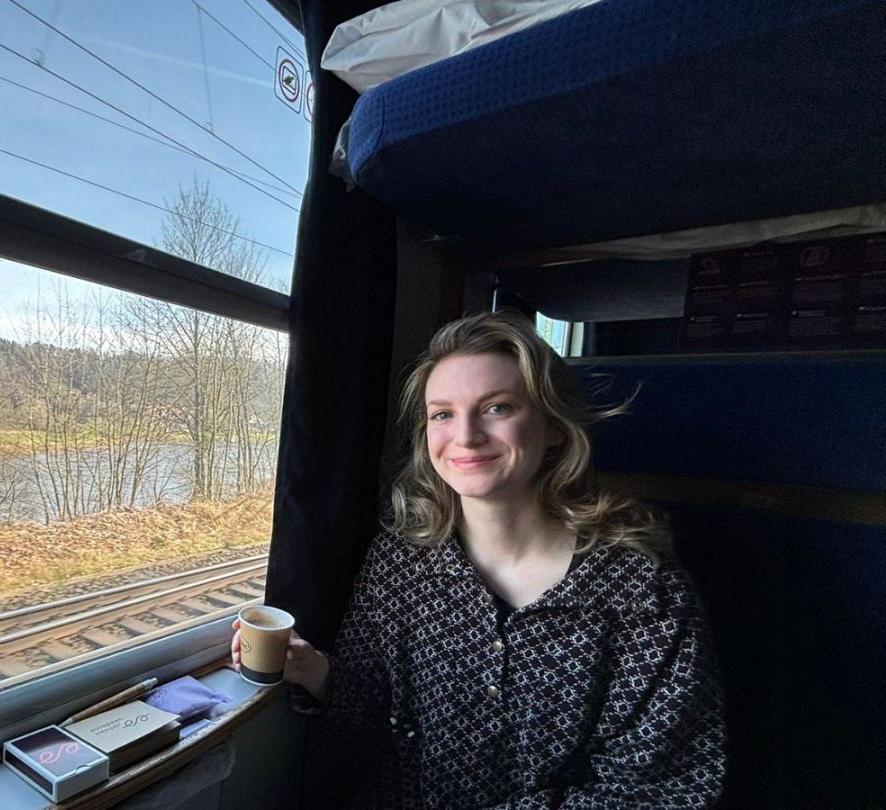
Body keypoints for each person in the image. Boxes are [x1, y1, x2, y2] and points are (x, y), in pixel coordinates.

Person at [232, 311, 726, 808]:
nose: (465, 436)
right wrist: (312, 668)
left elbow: (662, 789)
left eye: (497, 408)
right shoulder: (402, 560)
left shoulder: (643, 590)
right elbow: (370, 714)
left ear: (553, 426)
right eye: (442, 414)